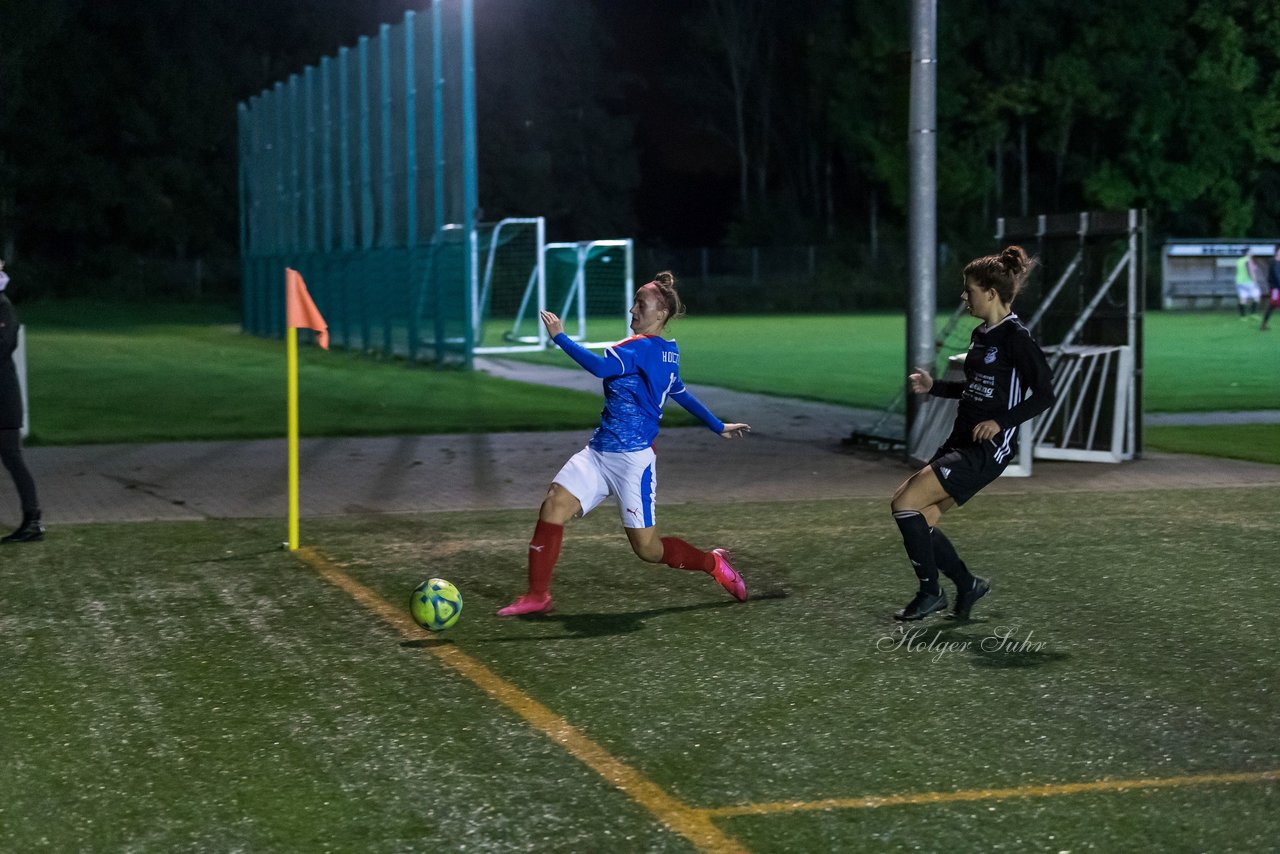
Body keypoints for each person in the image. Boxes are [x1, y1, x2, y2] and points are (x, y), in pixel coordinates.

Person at [497, 271, 751, 616]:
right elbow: (680, 393)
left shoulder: (637, 348)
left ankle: (713, 564)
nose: (632, 310)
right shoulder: (666, 351)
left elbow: (601, 369)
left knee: (648, 550)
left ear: (660, 314)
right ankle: (537, 595)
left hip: (633, 462)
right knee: (554, 504)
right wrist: (716, 424)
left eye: (640, 304)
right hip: (599, 452)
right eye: (634, 302)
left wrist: (560, 337)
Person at [889, 245, 1056, 620]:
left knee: (903, 503)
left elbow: (1046, 395)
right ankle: (967, 585)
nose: (965, 296)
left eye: (970, 290)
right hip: (961, 441)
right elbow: (974, 387)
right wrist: (935, 387)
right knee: (923, 516)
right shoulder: (982, 334)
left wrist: (1001, 422)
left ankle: (930, 593)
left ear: (991, 293)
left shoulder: (1017, 338)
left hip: (987, 450)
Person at [0, 259, 44, 543]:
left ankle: (32, 520)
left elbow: (4, 345)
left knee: (12, 457)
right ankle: (32, 519)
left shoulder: (2, 305)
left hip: (3, 396)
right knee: (12, 458)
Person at [1235, 252, 1261, 319]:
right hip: (1248, 282)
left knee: (1243, 298)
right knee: (1256, 295)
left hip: (1239, 281)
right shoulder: (1249, 260)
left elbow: (1239, 270)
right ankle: (1253, 313)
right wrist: (1255, 281)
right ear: (1247, 253)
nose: (1252, 253)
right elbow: (1251, 271)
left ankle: (1243, 316)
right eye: (1251, 252)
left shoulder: (1238, 260)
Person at [1261, 247, 1280, 331]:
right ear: (1277, 252)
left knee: (1273, 305)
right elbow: (1276, 276)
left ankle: (1264, 324)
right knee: (1272, 305)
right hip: (1276, 289)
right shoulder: (1274, 263)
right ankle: (1264, 324)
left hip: (1276, 287)